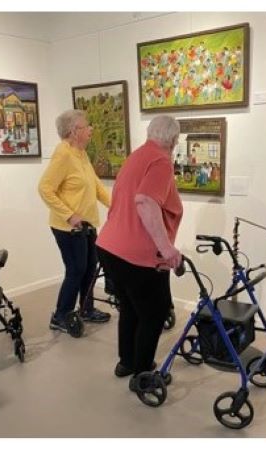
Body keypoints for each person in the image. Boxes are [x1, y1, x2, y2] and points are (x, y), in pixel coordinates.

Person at [95, 115, 183, 385]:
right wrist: (167, 248)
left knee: (131, 307)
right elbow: (145, 201)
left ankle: (127, 362)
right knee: (154, 313)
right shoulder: (161, 161)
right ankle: (143, 374)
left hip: (109, 247)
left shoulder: (137, 156)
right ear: (174, 140)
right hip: (137, 255)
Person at [38, 109, 112, 332]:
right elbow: (45, 189)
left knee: (90, 267)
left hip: (87, 225)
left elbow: (95, 184)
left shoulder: (81, 153)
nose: (91, 129)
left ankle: (86, 309)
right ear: (73, 131)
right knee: (76, 270)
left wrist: (117, 206)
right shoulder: (63, 155)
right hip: (67, 228)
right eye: (86, 126)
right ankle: (60, 315)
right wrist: (69, 215)